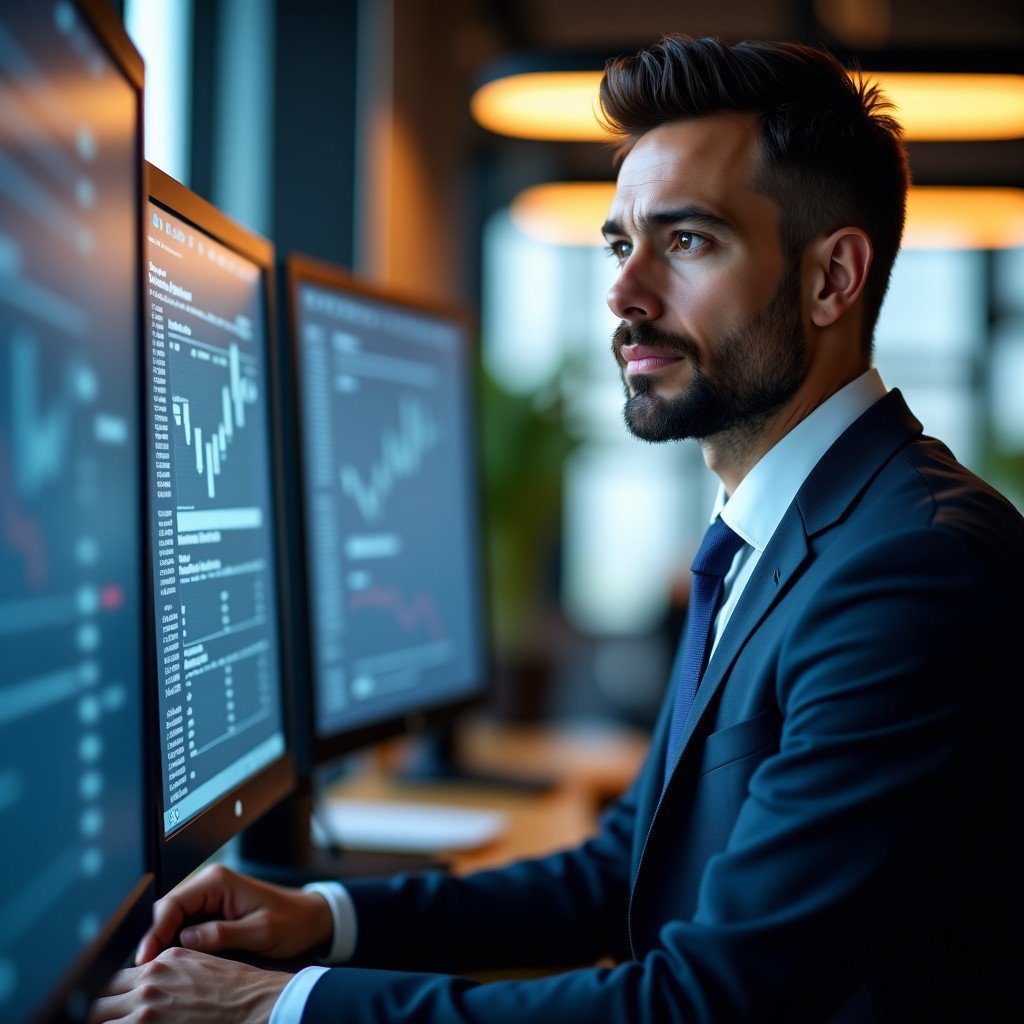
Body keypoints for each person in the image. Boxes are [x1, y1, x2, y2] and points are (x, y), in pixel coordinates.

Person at [90, 35, 1023, 1024]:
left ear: (832, 277)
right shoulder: (786, 536)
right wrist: (326, 916)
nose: (623, 295)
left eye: (687, 241)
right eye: (621, 246)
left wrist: (273, 1010)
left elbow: (704, 1005)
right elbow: (625, 868)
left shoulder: (911, 569)